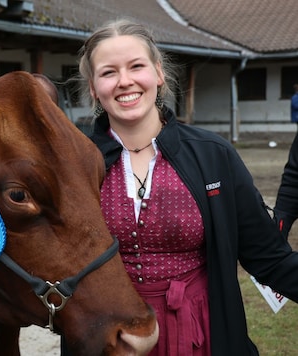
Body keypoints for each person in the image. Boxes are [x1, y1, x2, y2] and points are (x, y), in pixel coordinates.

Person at [61, 19, 298, 355]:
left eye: (136, 66)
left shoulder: (212, 155)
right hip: (107, 337)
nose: (124, 81)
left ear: (158, 73)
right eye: (109, 72)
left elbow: (269, 259)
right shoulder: (71, 163)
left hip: (199, 331)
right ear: (93, 86)